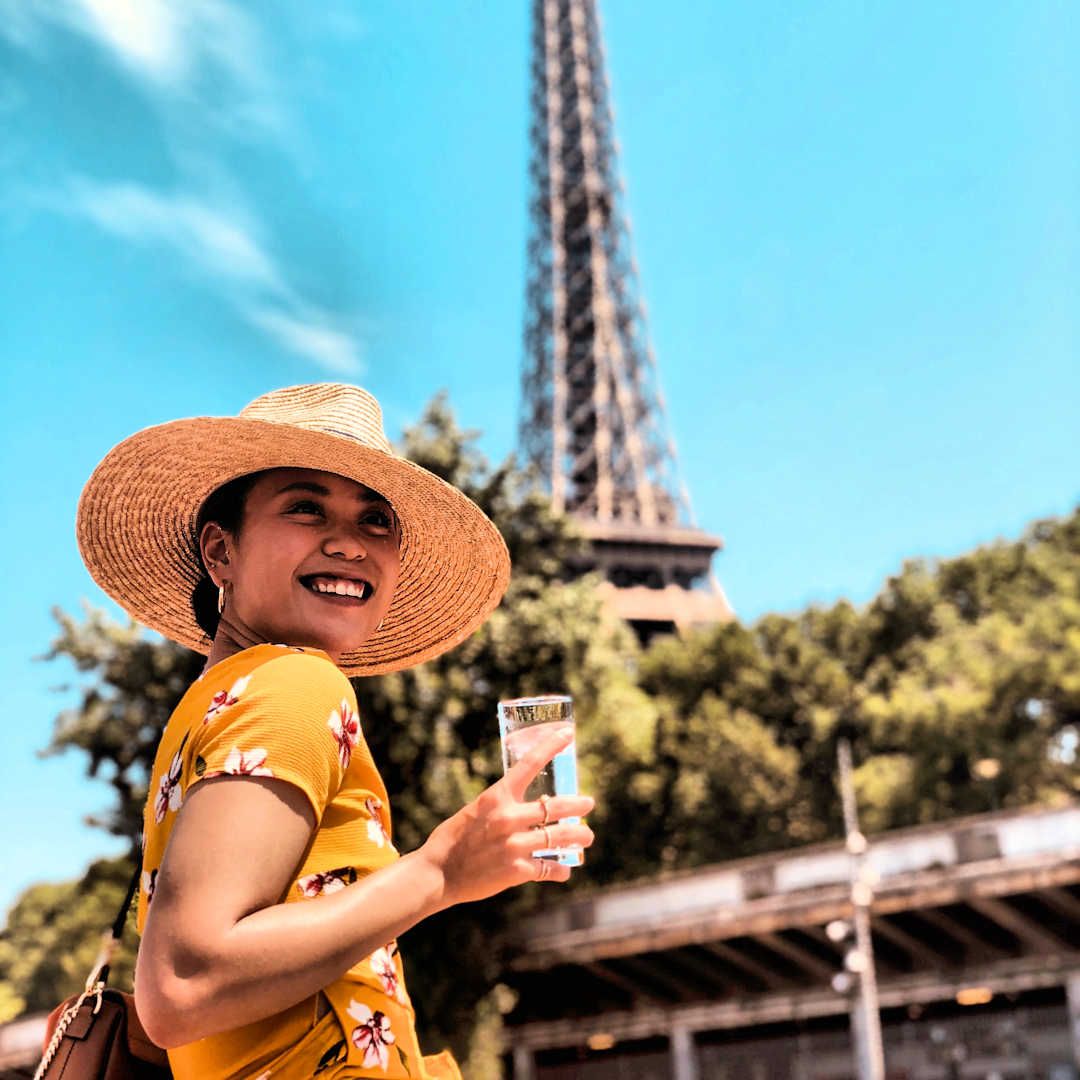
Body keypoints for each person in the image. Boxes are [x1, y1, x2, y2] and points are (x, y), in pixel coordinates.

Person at [75, 382, 595, 1079]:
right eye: (304, 507)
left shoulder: (214, 704)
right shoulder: (295, 685)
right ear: (219, 552)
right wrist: (440, 871)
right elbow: (182, 985)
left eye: (377, 521)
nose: (349, 542)